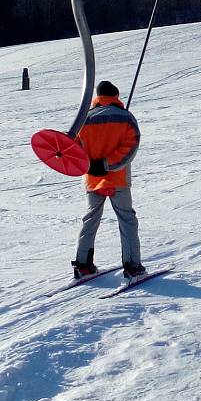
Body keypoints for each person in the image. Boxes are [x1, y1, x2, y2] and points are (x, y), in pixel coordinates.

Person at [72, 81, 145, 280]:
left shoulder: (83, 118)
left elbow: (73, 148)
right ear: (116, 95)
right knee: (127, 220)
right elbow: (130, 148)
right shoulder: (126, 118)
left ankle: (83, 264)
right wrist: (107, 164)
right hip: (117, 179)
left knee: (91, 219)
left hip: (93, 179)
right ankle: (132, 265)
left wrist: (91, 165)